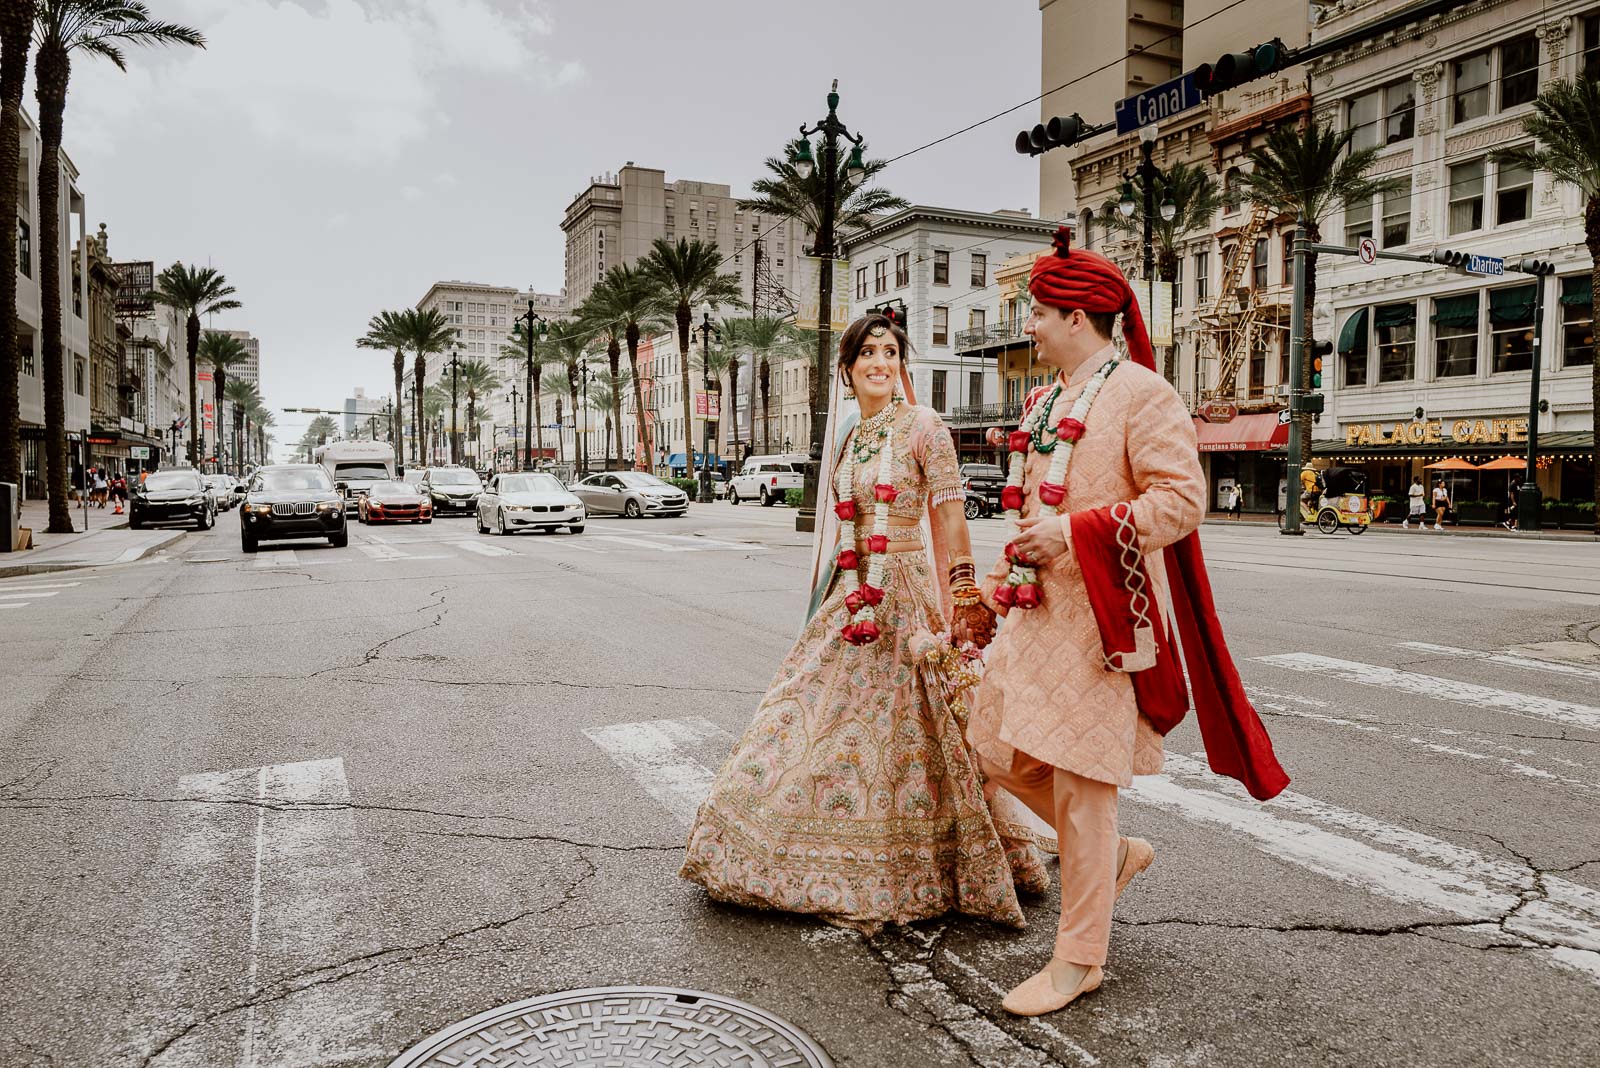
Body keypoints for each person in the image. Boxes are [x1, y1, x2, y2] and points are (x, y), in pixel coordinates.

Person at [967, 226, 1288, 1017]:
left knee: (1083, 787)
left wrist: (1075, 532)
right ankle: (1109, 859)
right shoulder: (1045, 400)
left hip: (1102, 625)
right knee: (987, 746)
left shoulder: (1144, 393)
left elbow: (1183, 502)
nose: (1030, 325)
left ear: (1077, 317)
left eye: (1037, 311)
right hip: (1034, 616)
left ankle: (1079, 961)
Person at [680, 312, 1051, 935]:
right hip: (853, 598)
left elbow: (950, 518)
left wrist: (962, 596)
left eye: (890, 351)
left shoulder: (925, 428)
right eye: (867, 353)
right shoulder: (851, 438)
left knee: (925, 732)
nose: (881, 362)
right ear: (848, 369)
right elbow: (844, 528)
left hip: (907, 597)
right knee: (805, 714)